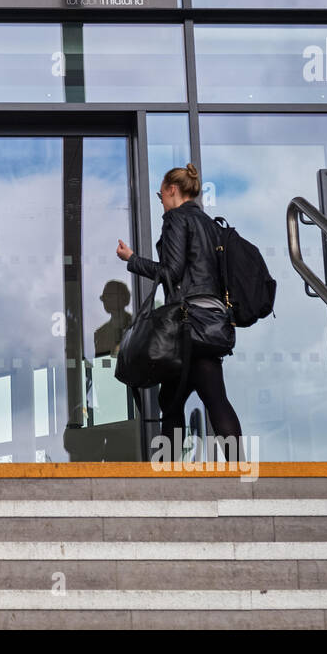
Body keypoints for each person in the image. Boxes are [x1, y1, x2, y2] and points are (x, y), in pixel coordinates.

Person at [115, 163, 244, 463]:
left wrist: (132, 259)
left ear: (172, 190)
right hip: (212, 320)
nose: (160, 200)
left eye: (160, 194)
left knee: (196, 401)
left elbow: (170, 272)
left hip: (188, 323)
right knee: (179, 400)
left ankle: (181, 478)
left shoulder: (175, 219)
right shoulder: (212, 225)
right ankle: (238, 473)